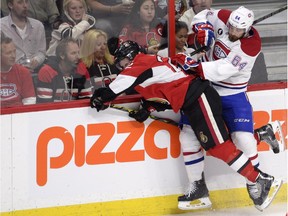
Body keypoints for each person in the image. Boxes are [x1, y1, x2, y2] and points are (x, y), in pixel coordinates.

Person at [89, 40, 282, 212]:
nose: (121, 67)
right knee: (189, 140)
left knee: (218, 146)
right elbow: (166, 89)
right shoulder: (148, 66)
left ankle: (259, 179)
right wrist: (147, 107)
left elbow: (120, 85)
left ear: (129, 57)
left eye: (122, 62)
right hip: (191, 103)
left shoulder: (139, 63)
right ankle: (198, 188)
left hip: (199, 99)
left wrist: (101, 96)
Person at [173, 6, 284, 210]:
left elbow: (221, 71)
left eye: (237, 30)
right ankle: (197, 188)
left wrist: (191, 65)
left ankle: (256, 183)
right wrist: (202, 27)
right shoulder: (225, 17)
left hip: (231, 94)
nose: (232, 32)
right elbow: (203, 14)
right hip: (204, 88)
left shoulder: (251, 46)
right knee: (187, 136)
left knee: (241, 139)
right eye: (231, 27)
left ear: (248, 29)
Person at [36, 38, 93, 103]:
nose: (78, 57)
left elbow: (86, 101)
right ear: (62, 55)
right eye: (73, 53)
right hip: (54, 111)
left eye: (78, 53)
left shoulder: (81, 69)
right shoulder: (47, 71)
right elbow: (45, 105)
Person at [0, 0, 46, 72]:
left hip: (34, 71)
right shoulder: (1, 27)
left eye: (26, 2)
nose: (25, 6)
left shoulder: (38, 26)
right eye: (20, 2)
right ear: (10, 5)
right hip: (10, 72)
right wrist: (18, 67)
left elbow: (42, 52)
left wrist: (36, 61)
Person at [0, 35, 36, 107]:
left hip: (19, 114)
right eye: (8, 53)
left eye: (14, 51)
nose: (13, 56)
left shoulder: (23, 72)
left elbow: (30, 100)